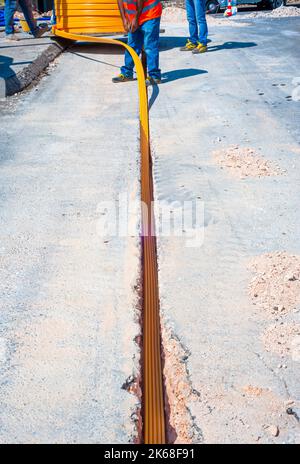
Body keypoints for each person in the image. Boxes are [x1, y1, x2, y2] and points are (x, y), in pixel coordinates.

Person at [112, 0, 162, 86]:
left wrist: (136, 18)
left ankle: (154, 76)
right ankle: (127, 73)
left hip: (150, 14)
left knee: (150, 46)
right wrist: (124, 18)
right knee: (132, 45)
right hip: (134, 15)